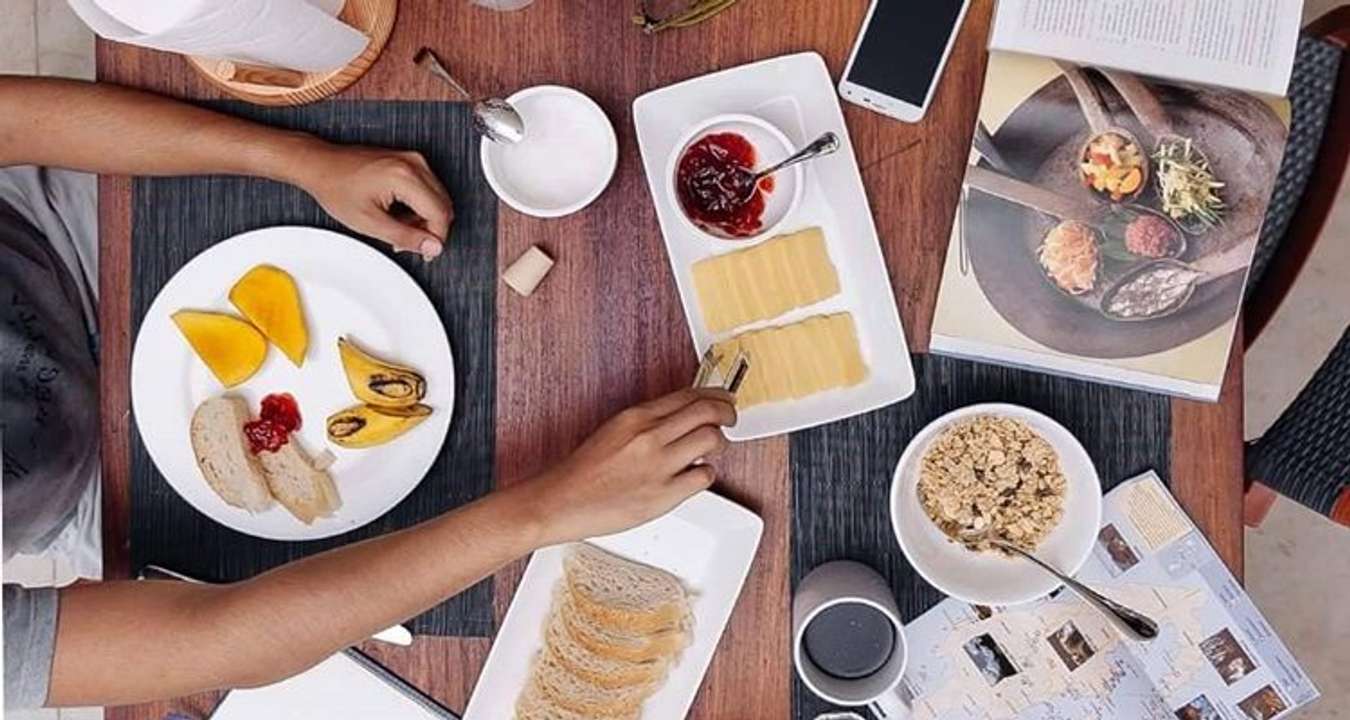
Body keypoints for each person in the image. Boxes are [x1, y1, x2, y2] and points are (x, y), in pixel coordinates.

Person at [1, 76, 737, 709]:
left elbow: (16, 120)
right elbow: (215, 640)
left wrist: (300, 160)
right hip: (88, 492)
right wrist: (548, 508)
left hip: (66, 225)